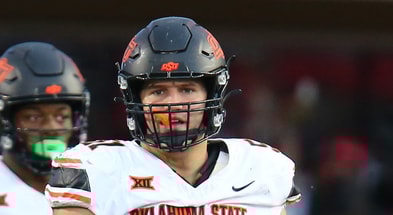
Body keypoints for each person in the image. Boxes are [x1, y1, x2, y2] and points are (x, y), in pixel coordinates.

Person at [45, 16, 301, 215]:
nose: (173, 104)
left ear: (211, 95)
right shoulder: (95, 169)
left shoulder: (261, 169)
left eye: (187, 89)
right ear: (136, 99)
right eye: (158, 91)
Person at [0, 41, 90, 214]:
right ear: (6, 120)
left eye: (61, 116)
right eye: (34, 117)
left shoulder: (102, 181)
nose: (51, 127)